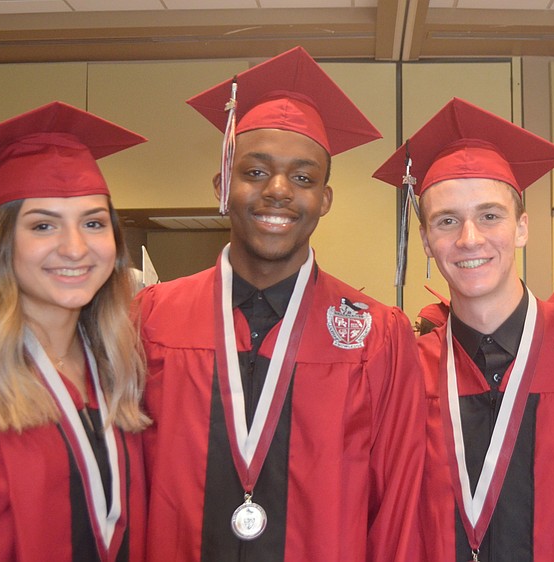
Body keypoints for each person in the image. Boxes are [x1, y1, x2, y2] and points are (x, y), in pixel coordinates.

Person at [137, 46, 426, 561]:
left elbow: (397, 510)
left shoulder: (378, 335)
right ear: (223, 186)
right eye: (254, 172)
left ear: (325, 200)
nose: (278, 191)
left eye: (302, 178)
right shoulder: (152, 318)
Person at [373, 98, 554, 561]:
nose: (470, 238)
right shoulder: (406, 369)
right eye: (447, 221)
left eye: (490, 216)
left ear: (522, 228)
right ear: (427, 242)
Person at [0, 101, 150, 561]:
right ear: (1, 244)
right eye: (43, 225)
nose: (74, 249)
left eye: (93, 223)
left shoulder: (122, 366)